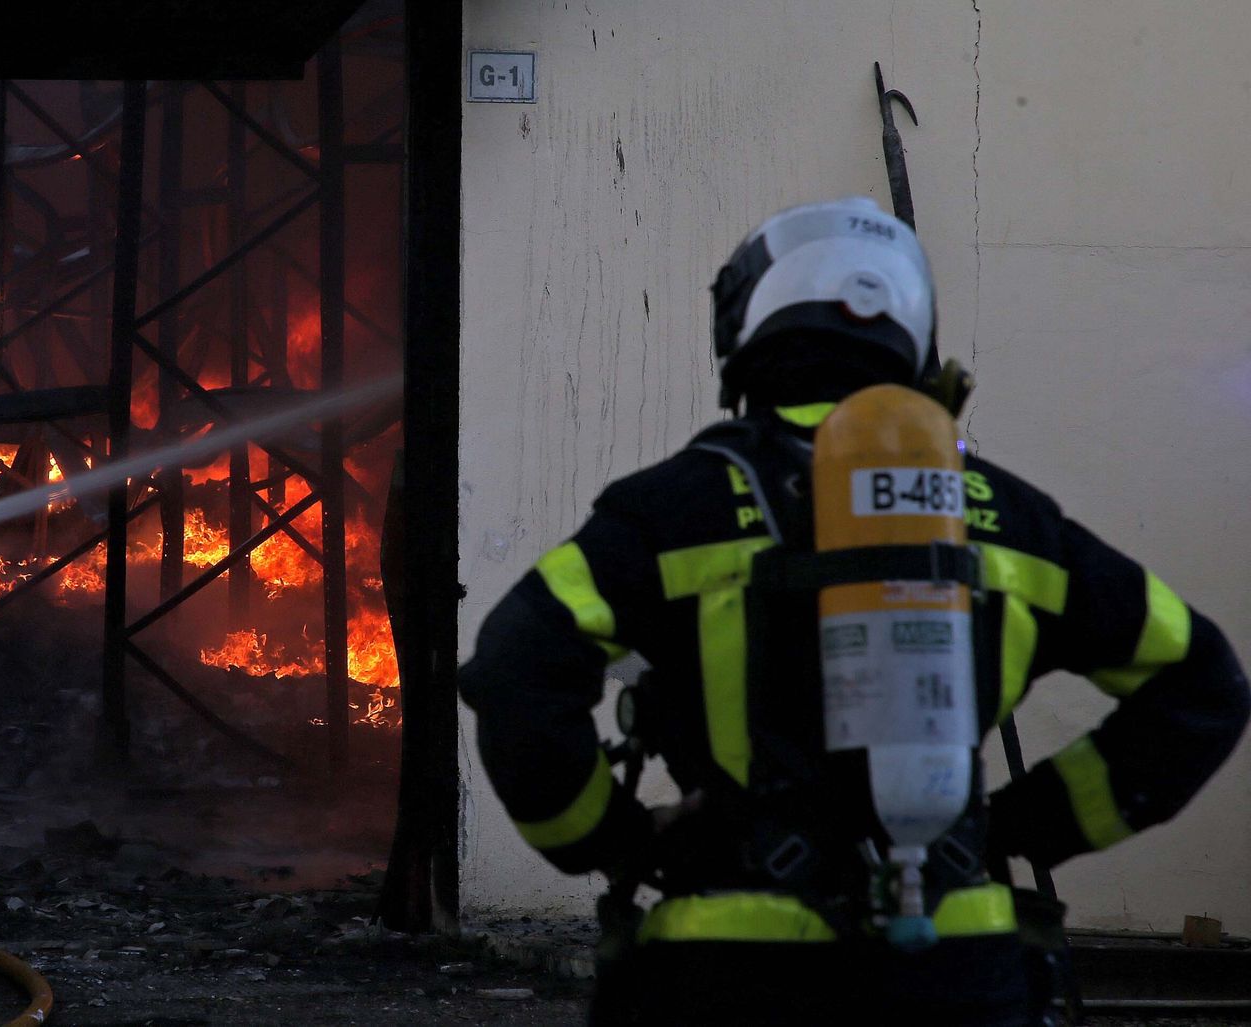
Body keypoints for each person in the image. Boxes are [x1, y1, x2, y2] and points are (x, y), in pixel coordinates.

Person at [458, 197, 1250, 1025]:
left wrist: (615, 840)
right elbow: (1202, 683)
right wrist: (1015, 827)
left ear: (748, 327)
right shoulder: (1006, 516)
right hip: (957, 966)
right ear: (909, 334)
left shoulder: (669, 511)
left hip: (730, 969)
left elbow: (516, 667)